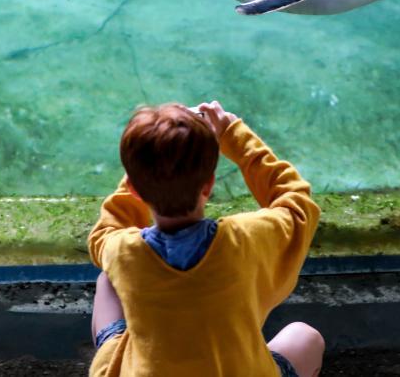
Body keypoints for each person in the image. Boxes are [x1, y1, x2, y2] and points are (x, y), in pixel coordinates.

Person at [88, 100, 324, 377]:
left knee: (107, 280)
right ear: (209, 184)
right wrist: (232, 133)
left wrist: (146, 164)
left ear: (134, 189)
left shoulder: (121, 250)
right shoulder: (245, 239)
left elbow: (104, 231)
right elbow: (297, 203)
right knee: (305, 336)